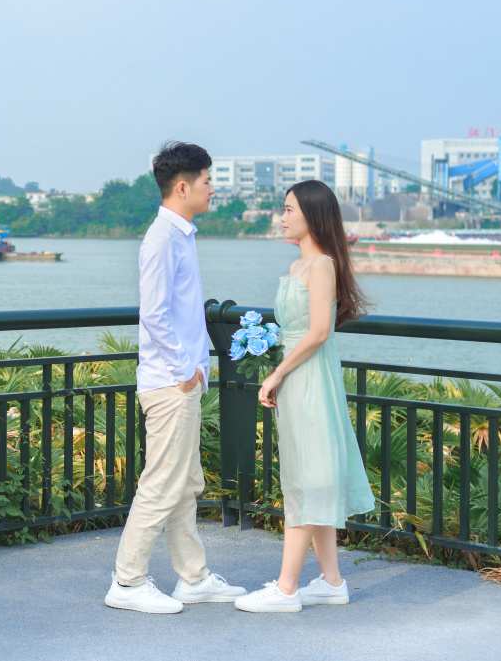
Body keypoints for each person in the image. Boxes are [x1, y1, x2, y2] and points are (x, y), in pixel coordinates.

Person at [104, 140, 247, 614]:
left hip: (180, 380)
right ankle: (127, 582)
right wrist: (187, 368)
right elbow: (155, 314)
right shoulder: (163, 238)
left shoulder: (180, 234)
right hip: (170, 382)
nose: (212, 189)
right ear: (182, 186)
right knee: (162, 483)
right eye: (207, 180)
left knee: (185, 484)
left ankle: (193, 577)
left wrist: (194, 370)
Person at [234, 179, 376, 614]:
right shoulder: (299, 265)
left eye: (289, 209)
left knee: (310, 478)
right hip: (298, 377)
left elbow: (318, 333)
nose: (282, 216)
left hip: (310, 376)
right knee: (307, 474)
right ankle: (332, 582)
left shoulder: (321, 265)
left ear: (312, 215)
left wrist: (275, 372)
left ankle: (286, 588)